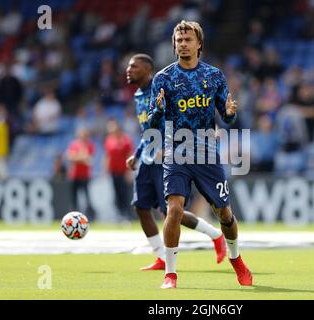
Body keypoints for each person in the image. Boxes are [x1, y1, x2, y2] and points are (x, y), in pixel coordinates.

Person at [148, 21, 253, 289]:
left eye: (187, 39)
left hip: (207, 152)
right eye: (178, 39)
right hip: (176, 152)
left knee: (225, 214)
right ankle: (170, 274)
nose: (182, 43)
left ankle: (236, 259)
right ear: (174, 44)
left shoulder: (215, 76)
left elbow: (227, 117)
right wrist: (159, 111)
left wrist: (230, 112)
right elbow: (151, 123)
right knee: (174, 209)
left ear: (199, 44)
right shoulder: (162, 78)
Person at [125, 53, 227, 271]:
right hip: (148, 158)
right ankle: (161, 256)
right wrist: (138, 152)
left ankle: (216, 235)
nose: (128, 69)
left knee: (172, 212)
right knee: (141, 207)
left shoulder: (163, 87)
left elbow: (182, 115)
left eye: (134, 66)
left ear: (147, 69)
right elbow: (148, 130)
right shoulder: (138, 95)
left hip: (167, 156)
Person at [104, 118, 134, 221]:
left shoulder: (126, 139)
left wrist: (129, 171)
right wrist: (105, 169)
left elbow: (130, 155)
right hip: (114, 171)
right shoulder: (109, 139)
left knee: (125, 194)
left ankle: (128, 215)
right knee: (116, 194)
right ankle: (120, 215)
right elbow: (108, 155)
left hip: (124, 171)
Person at [66, 128, 96, 221]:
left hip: (85, 175)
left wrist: (77, 157)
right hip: (74, 175)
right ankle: (73, 218)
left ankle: (90, 217)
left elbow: (89, 159)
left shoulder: (90, 145)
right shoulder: (74, 144)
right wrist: (81, 157)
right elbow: (70, 157)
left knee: (87, 198)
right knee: (73, 198)